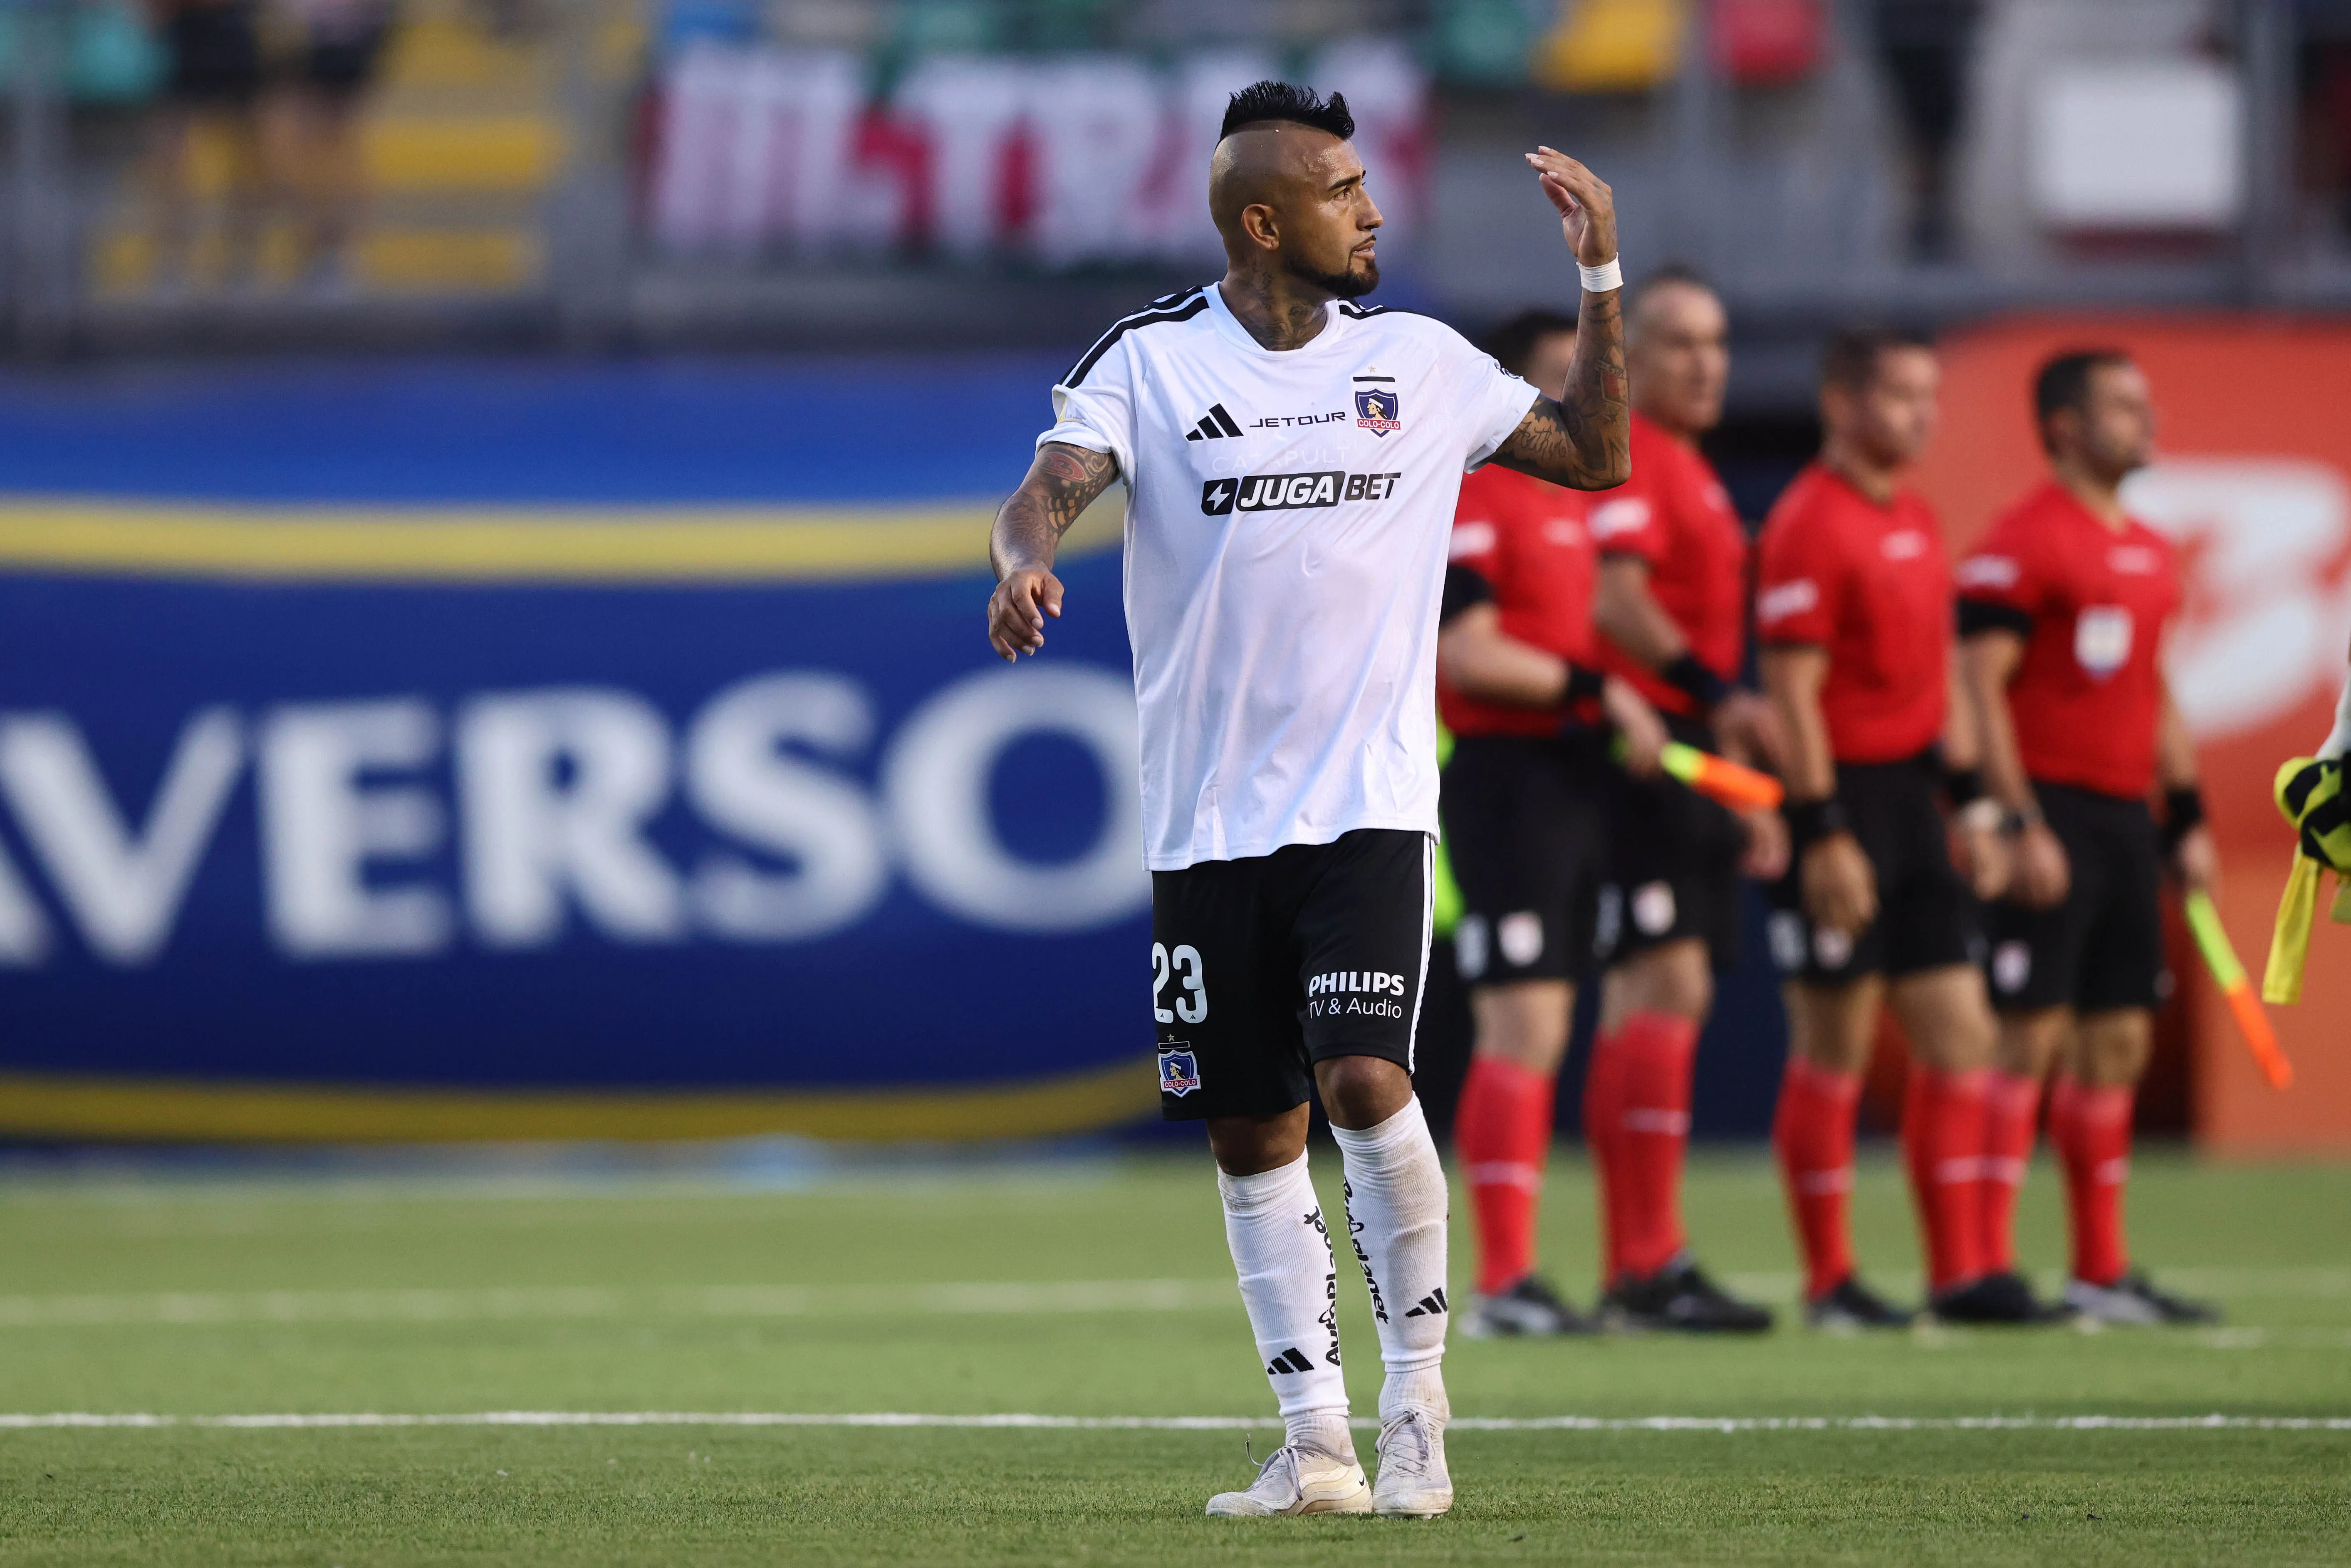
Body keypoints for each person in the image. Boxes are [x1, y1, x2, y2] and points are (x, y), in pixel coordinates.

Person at [984, 82, 1629, 1518]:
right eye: (1345, 190)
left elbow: (1596, 453)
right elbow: (1047, 488)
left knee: (1360, 1079)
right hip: (1205, 822)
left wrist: (1598, 273)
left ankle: (1420, 1415)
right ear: (1264, 220)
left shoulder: (1418, 359)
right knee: (1249, 1127)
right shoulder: (1151, 361)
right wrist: (1019, 561)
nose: (1375, 210)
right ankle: (1315, 1441)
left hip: (1370, 804)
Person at [1755, 328, 2042, 1328]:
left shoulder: (1916, 516)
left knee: (1962, 1034)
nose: (1921, 416)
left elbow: (1934, 693)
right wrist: (1820, 829)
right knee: (1833, 1040)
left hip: (1913, 808)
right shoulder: (1805, 524)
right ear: (1842, 403)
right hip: (1839, 801)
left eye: (1929, 397)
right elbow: (1791, 694)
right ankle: (1829, 1280)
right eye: (1900, 398)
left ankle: (1961, 1272)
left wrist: (1975, 807)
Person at [1958, 350, 2221, 1326]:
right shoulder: (2024, 542)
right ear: (2065, 426)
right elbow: (1977, 685)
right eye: (2122, 405)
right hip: (2049, 810)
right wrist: (2012, 817)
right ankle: (1985, 1268)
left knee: (2115, 1036)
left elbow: (2153, 689)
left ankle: (2098, 1272)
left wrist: (2184, 816)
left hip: (2123, 819)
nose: (2145, 419)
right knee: (2026, 1036)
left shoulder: (2151, 550)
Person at [1435, 307, 1668, 1339]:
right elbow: (1468, 653)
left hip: (1569, 775)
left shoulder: (1578, 508)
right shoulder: (1481, 494)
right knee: (1519, 1023)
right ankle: (1504, 1281)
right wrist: (1592, 687)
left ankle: (1579, 1269)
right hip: (1505, 775)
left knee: (1559, 1021)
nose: (1585, 394)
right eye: (1563, 377)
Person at [1582, 267, 1783, 1332]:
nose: (1704, 362)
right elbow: (1614, 598)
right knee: (1662, 990)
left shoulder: (1690, 469)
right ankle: (1646, 1261)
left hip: (1689, 750)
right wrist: (1719, 699)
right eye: (1677, 342)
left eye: (1716, 342)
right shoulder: (1632, 457)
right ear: (1633, 358)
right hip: (1652, 750)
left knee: (1653, 1000)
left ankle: (1639, 1261)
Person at [261, 0, 398, 291]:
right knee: (298, 150)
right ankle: (317, 246)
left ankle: (337, 250)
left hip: (339, 46)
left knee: (337, 148)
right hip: (302, 46)